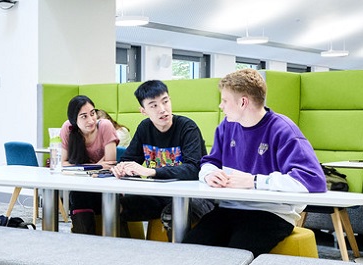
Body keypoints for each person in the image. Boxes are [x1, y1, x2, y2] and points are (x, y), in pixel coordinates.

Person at [185, 69, 326, 257]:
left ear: (243, 102)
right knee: (188, 250)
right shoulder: (226, 127)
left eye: (225, 100)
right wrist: (209, 174)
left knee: (234, 256)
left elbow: (314, 180)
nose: (221, 105)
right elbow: (210, 162)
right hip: (229, 209)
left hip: (271, 214)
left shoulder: (283, 130)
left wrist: (254, 181)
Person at [109, 80, 212, 231]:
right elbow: (129, 159)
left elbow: (194, 168)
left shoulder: (187, 127)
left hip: (193, 196)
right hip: (159, 194)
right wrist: (123, 168)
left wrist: (152, 172)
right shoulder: (145, 128)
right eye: (154, 105)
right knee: (116, 207)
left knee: (171, 214)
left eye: (165, 101)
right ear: (143, 111)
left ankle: (179, 255)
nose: (162, 109)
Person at [59, 95, 119, 234]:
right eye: (84, 116)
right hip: (81, 186)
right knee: (78, 195)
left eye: (92, 114)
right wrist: (94, 168)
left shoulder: (105, 125)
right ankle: (85, 242)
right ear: (74, 119)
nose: (91, 120)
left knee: (80, 196)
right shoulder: (67, 128)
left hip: (105, 185)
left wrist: (84, 169)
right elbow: (63, 162)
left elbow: (111, 162)